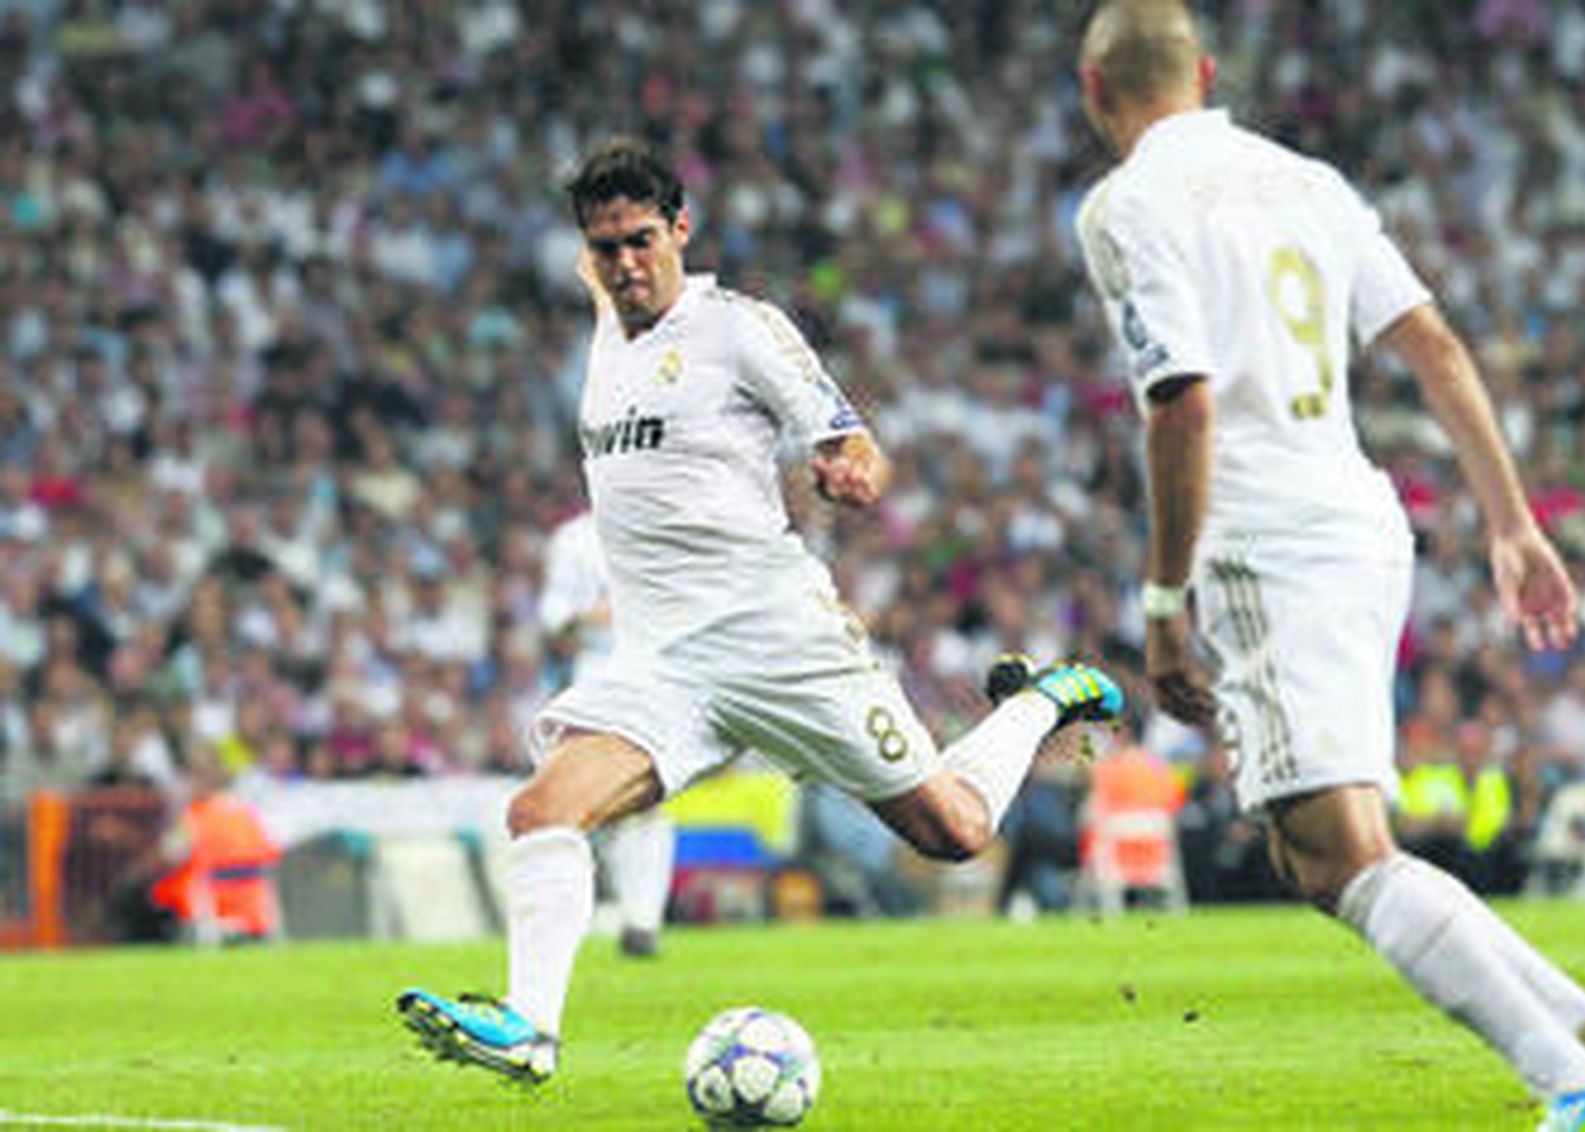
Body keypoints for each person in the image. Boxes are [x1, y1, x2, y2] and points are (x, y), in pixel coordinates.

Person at [396, 137, 1123, 1083]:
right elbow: (597, 270)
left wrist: (851, 468)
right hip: (663, 665)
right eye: (605, 246)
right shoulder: (606, 319)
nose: (624, 264)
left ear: (682, 231)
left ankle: (1042, 701)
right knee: (542, 810)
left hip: (780, 640)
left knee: (952, 832)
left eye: (642, 240)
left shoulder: (740, 328)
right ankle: (531, 1029)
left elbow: (851, 435)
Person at [1072, 4, 1585, 1128]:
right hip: (1360, 517)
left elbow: (1182, 401)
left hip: (1265, 538)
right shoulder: (1307, 182)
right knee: (1321, 840)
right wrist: (1510, 522)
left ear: (1091, 91)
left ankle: (1571, 1081)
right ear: (1206, 74)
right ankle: (1578, 1029)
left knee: (1333, 851)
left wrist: (1163, 601)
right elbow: (1435, 347)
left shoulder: (1126, 204)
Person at [538, 505, 677, 958]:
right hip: (598, 677)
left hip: (657, 675)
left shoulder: (662, 522)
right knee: (597, 805)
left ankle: (643, 921)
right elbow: (553, 614)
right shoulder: (575, 538)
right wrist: (592, 615)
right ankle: (601, 912)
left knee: (651, 798)